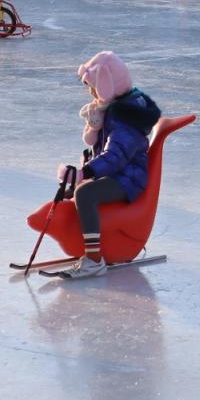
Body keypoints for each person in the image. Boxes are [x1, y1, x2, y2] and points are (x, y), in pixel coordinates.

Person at [61, 51, 162, 278]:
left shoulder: (125, 117)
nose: (91, 93)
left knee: (85, 193)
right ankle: (88, 245)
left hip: (129, 178)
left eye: (93, 87)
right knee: (75, 190)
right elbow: (103, 148)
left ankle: (94, 260)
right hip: (118, 172)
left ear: (107, 85)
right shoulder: (114, 109)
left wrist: (85, 173)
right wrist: (93, 134)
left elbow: (116, 156)